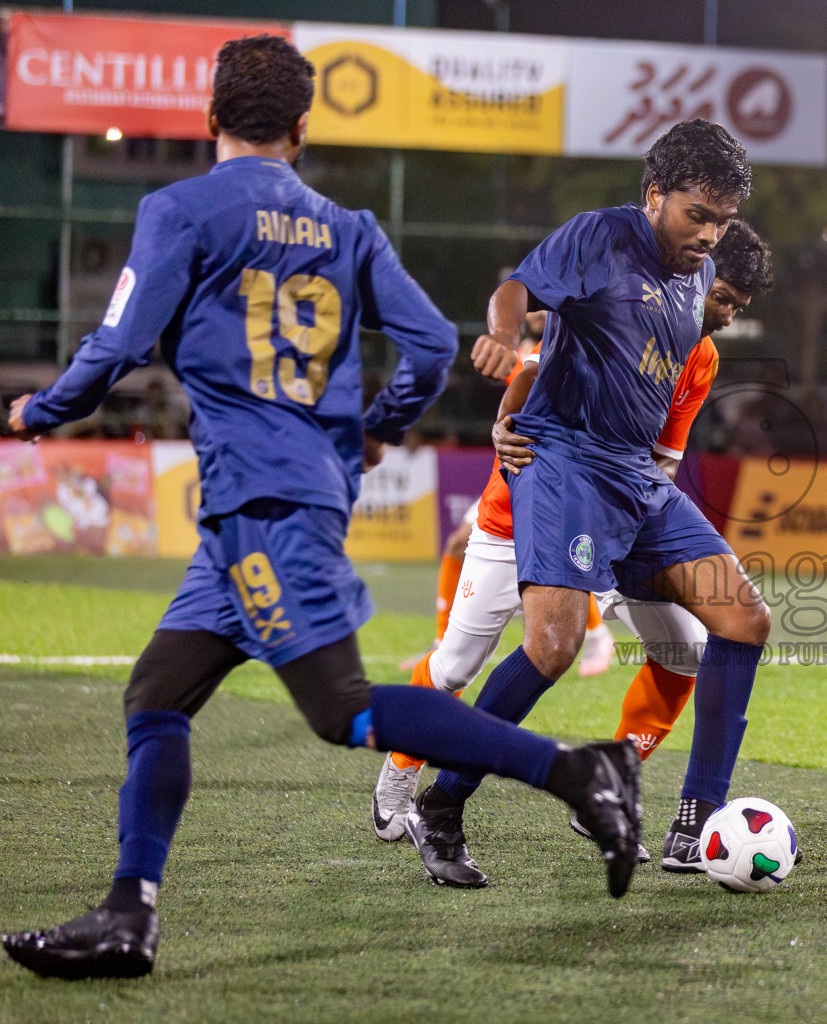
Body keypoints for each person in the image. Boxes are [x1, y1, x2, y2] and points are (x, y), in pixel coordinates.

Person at [1, 36, 641, 982]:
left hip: (262, 499)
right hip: (283, 498)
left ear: (209, 119)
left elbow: (119, 341)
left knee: (341, 709)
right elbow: (428, 343)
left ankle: (576, 771)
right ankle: (129, 915)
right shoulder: (350, 229)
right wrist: (375, 430)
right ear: (301, 130)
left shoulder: (178, 208)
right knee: (157, 695)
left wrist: (34, 411)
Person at [407, 119, 772, 884]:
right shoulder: (601, 237)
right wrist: (505, 340)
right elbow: (517, 293)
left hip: (633, 476)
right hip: (563, 461)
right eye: (695, 215)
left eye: (721, 220)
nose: (707, 235)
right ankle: (443, 801)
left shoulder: (700, 278)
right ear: (654, 197)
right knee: (553, 647)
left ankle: (696, 822)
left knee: (743, 617)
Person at [398, 310, 615, 678]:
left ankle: (597, 635)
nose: (533, 314)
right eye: (528, 306)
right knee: (460, 547)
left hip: (546, 477)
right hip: (508, 471)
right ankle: (444, 643)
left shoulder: (577, 349)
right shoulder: (526, 352)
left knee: (557, 567)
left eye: (541, 305)